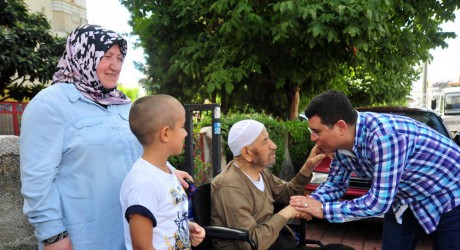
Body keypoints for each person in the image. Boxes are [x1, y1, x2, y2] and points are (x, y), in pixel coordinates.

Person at [19, 25, 192, 250]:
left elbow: (143, 146)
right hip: (85, 237)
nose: (115, 66)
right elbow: (37, 181)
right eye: (107, 56)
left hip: (132, 230)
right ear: (83, 54)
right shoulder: (49, 106)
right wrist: (52, 235)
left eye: (119, 58)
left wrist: (167, 170)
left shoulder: (121, 103)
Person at [290, 90, 460, 250]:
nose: (313, 138)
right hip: (404, 197)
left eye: (316, 132)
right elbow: (336, 184)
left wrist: (322, 210)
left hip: (449, 192)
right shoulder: (340, 146)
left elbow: (378, 203)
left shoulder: (384, 137)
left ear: (341, 127)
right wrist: (308, 203)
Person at [211, 119, 353, 250]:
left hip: (277, 243)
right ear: (247, 153)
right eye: (265, 141)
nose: (274, 145)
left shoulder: (260, 172)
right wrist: (289, 212)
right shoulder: (230, 186)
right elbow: (252, 243)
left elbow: (288, 193)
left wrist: (308, 166)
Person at [120, 94, 205, 249]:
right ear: (165, 133)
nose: (186, 133)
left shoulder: (167, 172)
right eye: (182, 126)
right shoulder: (143, 183)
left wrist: (187, 227)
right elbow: (141, 246)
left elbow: (166, 217)